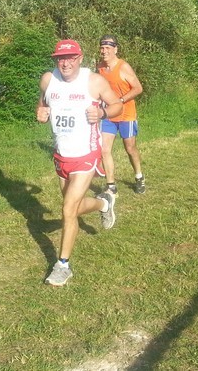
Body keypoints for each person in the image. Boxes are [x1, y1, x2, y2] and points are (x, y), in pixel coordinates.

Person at [37, 39, 123, 286]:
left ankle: (63, 265)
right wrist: (41, 112)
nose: (65, 63)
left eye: (70, 58)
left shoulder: (93, 81)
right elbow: (43, 102)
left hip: (86, 154)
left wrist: (103, 113)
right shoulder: (47, 79)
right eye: (60, 59)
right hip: (61, 155)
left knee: (67, 210)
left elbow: (117, 104)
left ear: (79, 58)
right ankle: (103, 204)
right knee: (71, 207)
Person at [97, 35, 145, 195]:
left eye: (108, 48)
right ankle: (111, 185)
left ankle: (139, 177)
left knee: (130, 148)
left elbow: (138, 88)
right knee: (104, 149)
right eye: (102, 48)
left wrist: (121, 100)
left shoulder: (123, 67)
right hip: (109, 115)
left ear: (115, 49)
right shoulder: (100, 68)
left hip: (126, 114)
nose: (104, 51)